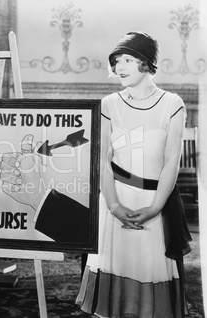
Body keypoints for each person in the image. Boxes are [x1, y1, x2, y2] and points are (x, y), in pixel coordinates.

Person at [76, 31, 192, 317]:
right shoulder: (108, 105)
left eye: (128, 59)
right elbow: (101, 160)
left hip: (155, 201)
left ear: (147, 63)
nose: (120, 67)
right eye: (117, 61)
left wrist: (155, 207)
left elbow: (170, 163)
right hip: (115, 200)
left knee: (150, 276)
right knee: (113, 274)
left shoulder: (172, 105)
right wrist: (114, 206)